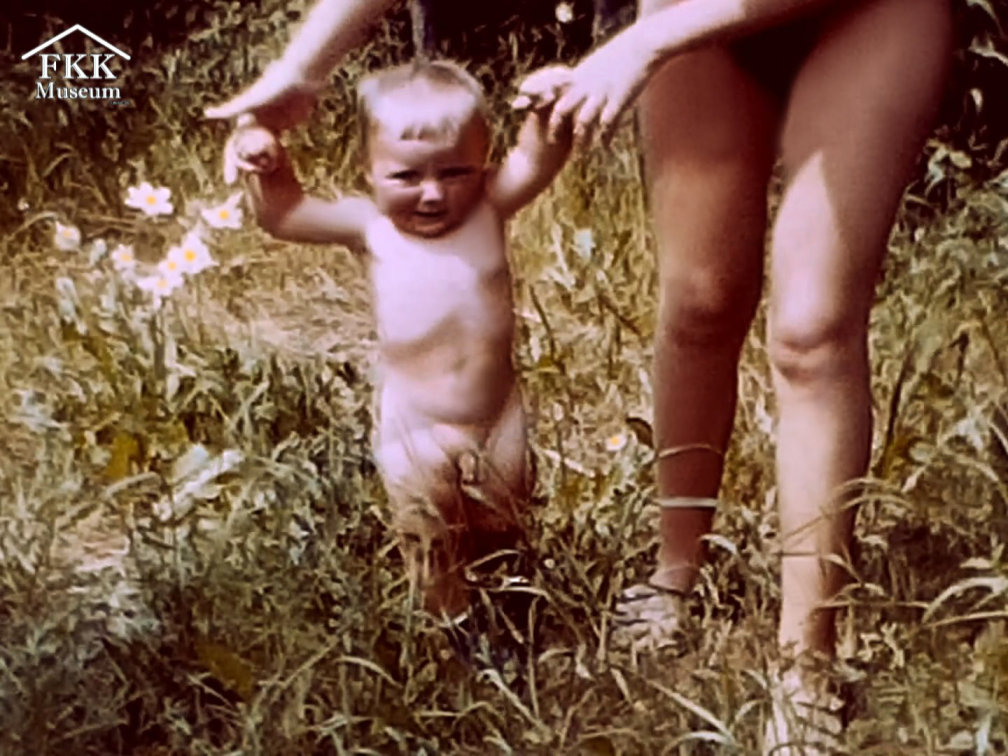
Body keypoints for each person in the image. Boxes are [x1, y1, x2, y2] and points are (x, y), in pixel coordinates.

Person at [207, 0, 953, 750]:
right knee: (700, 300)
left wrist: (646, 41)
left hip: (866, 14)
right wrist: (302, 66)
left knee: (810, 334)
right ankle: (674, 573)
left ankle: (806, 664)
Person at [224, 59, 571, 620]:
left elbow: (535, 160)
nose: (432, 194)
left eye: (455, 172)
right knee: (428, 540)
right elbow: (284, 215)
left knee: (505, 526)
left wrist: (548, 113)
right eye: (407, 177)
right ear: (367, 169)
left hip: (499, 415)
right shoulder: (371, 228)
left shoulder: (488, 207)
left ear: (483, 163)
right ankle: (452, 635)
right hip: (415, 423)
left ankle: (511, 618)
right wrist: (266, 160)